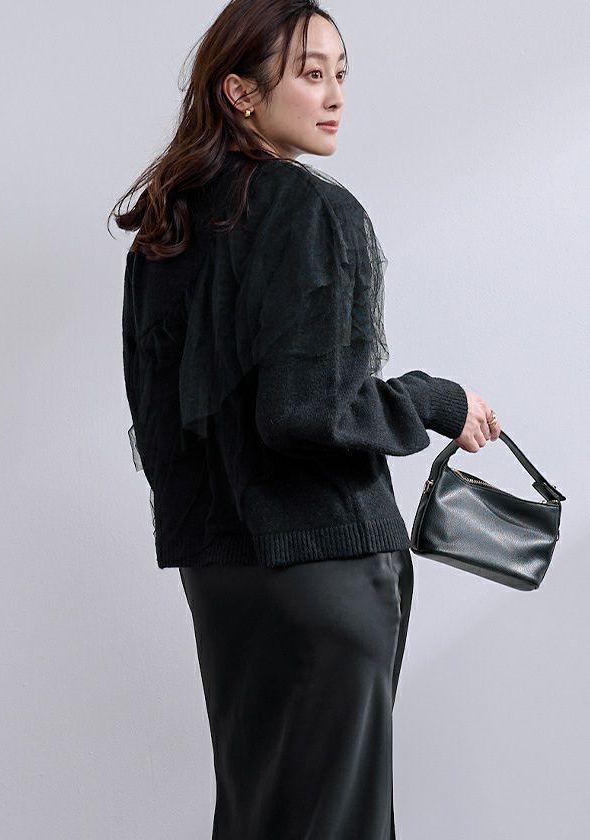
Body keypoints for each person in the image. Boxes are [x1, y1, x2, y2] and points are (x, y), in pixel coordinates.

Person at [111, 1, 501, 837]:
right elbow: (305, 412)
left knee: (257, 817)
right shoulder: (313, 211)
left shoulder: (166, 226)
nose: (334, 96)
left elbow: (159, 420)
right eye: (310, 74)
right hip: (326, 567)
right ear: (241, 93)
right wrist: (436, 400)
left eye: (340, 74)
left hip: (219, 572)